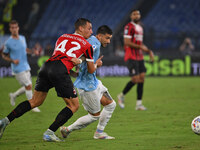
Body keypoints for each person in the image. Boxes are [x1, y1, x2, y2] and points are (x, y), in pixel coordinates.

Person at [0, 18, 103, 142]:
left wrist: (71, 71)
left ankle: (5, 121)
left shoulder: (62, 37)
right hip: (59, 70)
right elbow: (91, 70)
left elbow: (60, 58)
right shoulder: (87, 45)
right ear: (80, 28)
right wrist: (97, 64)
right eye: (89, 28)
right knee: (73, 105)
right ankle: (49, 133)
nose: (91, 32)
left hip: (46, 67)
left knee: (35, 101)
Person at [60, 25, 116, 139]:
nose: (109, 41)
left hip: (93, 82)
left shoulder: (91, 41)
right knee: (94, 116)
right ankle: (67, 130)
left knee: (110, 105)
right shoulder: (94, 44)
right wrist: (96, 65)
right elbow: (84, 61)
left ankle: (99, 133)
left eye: (110, 38)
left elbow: (81, 57)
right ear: (99, 36)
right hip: (87, 85)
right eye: (107, 38)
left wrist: (77, 67)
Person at [117, 10, 154, 110]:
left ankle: (139, 104)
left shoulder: (140, 28)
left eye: (138, 14)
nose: (136, 15)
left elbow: (140, 43)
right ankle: (121, 96)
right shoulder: (128, 27)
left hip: (140, 56)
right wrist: (141, 48)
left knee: (142, 78)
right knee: (135, 79)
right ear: (131, 16)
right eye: (134, 14)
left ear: (140, 15)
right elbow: (127, 42)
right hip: (131, 56)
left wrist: (149, 51)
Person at [1, 20, 40, 112]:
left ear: (18, 28)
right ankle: (32, 106)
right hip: (17, 68)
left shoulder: (22, 38)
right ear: (10, 29)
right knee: (29, 86)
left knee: (28, 86)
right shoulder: (8, 42)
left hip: (25, 65)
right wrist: (12, 60)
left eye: (15, 27)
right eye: (12, 28)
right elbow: (4, 55)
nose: (14, 29)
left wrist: (32, 51)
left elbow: (25, 49)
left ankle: (13, 95)